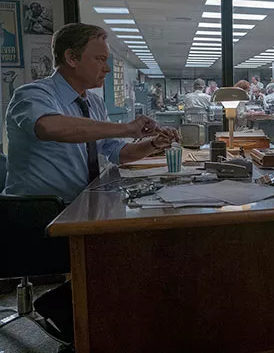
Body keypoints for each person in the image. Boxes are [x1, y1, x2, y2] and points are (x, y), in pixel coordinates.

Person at [3, 23, 179, 342]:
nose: (107, 68)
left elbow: (118, 153)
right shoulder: (32, 94)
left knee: (149, 235)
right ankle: (70, 314)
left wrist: (153, 143)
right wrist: (126, 128)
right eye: (99, 59)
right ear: (71, 58)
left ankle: (88, 316)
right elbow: (50, 128)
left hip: (80, 209)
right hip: (37, 218)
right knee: (129, 246)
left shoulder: (93, 102)